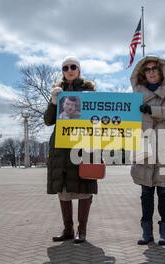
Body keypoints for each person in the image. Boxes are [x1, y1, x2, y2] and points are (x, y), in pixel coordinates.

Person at [130, 56, 165, 246]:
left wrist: (151, 110)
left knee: (164, 192)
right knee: (146, 192)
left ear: (161, 72)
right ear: (142, 73)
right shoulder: (135, 95)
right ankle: (146, 231)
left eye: (155, 68)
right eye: (147, 69)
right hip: (143, 145)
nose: (151, 72)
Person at [44, 56, 96, 244]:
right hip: (61, 148)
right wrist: (53, 101)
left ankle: (81, 232)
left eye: (73, 66)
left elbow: (98, 118)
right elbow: (48, 121)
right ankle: (68, 229)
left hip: (83, 145)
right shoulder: (58, 92)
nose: (69, 69)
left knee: (84, 187)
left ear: (79, 70)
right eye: (65, 67)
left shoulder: (90, 91)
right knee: (63, 189)